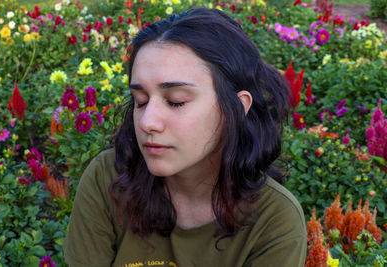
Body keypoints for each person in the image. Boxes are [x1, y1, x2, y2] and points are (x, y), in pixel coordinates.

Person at [64, 7, 307, 267]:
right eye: (141, 101)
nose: (148, 122)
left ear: (236, 108)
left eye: (176, 102)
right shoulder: (109, 180)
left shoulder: (274, 220)